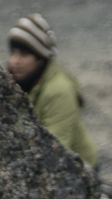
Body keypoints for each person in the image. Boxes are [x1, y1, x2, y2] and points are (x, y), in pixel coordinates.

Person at [7, 13, 97, 167]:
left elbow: (57, 147)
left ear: (40, 58)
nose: (15, 61)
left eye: (24, 54)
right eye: (13, 52)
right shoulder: (17, 81)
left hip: (80, 170)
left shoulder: (58, 91)